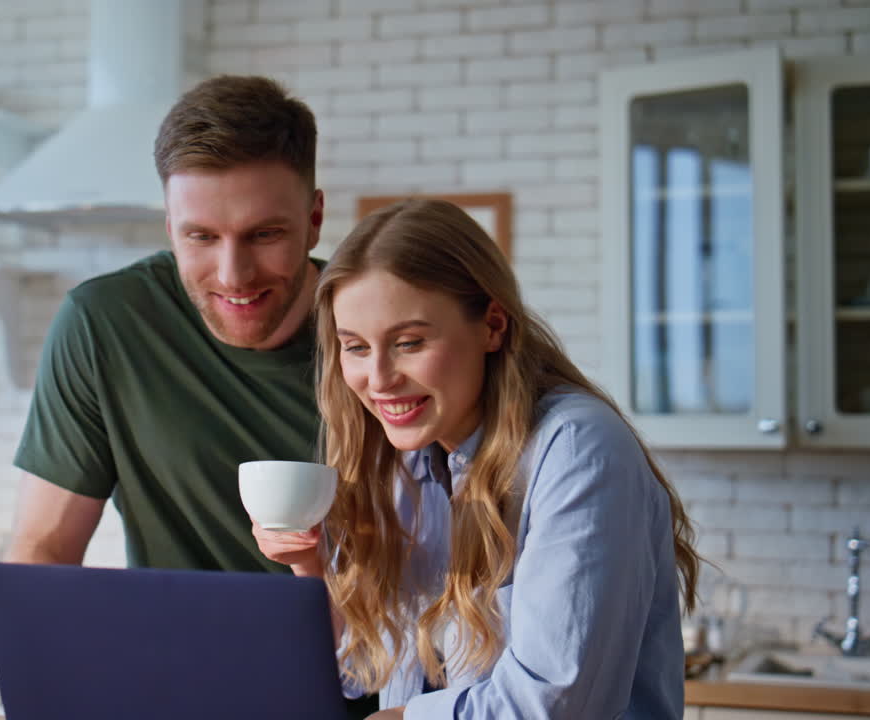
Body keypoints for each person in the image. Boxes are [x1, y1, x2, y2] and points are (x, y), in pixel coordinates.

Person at [5, 75, 378, 717]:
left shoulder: (375, 335)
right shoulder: (107, 324)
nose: (234, 276)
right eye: (201, 237)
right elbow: (44, 548)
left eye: (264, 234)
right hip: (170, 698)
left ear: (315, 219)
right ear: (169, 225)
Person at [253, 198, 700, 719]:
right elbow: (364, 667)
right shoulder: (411, 462)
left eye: (409, 342)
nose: (378, 379)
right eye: (355, 347)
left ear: (492, 325)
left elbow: (556, 702)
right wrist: (310, 563)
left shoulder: (577, 448)